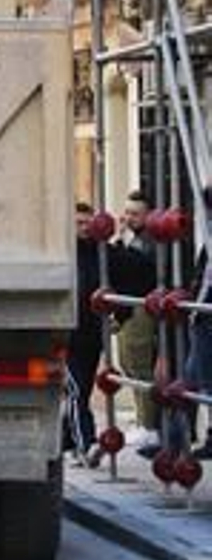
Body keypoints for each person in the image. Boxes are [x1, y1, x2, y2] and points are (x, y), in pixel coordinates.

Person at [117, 191, 160, 451]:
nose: (129, 218)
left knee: (140, 365)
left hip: (141, 309)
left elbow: (139, 271)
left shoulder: (151, 241)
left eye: (135, 214)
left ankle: (149, 426)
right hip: (128, 308)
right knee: (128, 365)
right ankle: (142, 421)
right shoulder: (133, 239)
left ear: (147, 215)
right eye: (127, 212)